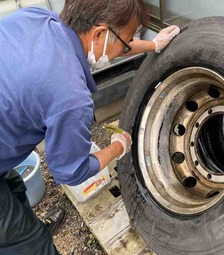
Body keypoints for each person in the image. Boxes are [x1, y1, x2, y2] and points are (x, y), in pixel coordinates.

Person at [0, 0, 180, 254]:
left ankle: (26, 226)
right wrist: (117, 148)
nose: (126, 47)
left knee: (14, 186)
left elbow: (113, 46)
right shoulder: (70, 97)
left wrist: (153, 45)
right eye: (127, 39)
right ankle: (28, 239)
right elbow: (69, 172)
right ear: (99, 33)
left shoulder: (37, 18)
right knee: (31, 244)